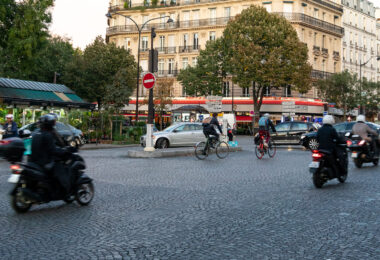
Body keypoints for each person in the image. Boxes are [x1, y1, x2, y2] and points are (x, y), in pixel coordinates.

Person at [30, 114, 72, 197]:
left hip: (35, 160)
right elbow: (53, 149)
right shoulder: (48, 134)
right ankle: (67, 190)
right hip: (45, 161)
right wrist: (65, 151)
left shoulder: (36, 134)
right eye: (54, 122)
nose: (55, 123)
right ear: (50, 124)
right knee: (60, 168)